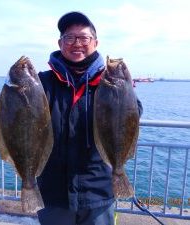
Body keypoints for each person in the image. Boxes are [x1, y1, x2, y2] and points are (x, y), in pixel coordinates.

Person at [36, 11, 143, 225]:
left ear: (95, 42)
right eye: (69, 37)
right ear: (60, 42)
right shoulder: (42, 83)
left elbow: (134, 114)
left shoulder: (110, 82)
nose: (77, 43)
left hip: (99, 192)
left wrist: (126, 92)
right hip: (53, 193)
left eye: (83, 37)